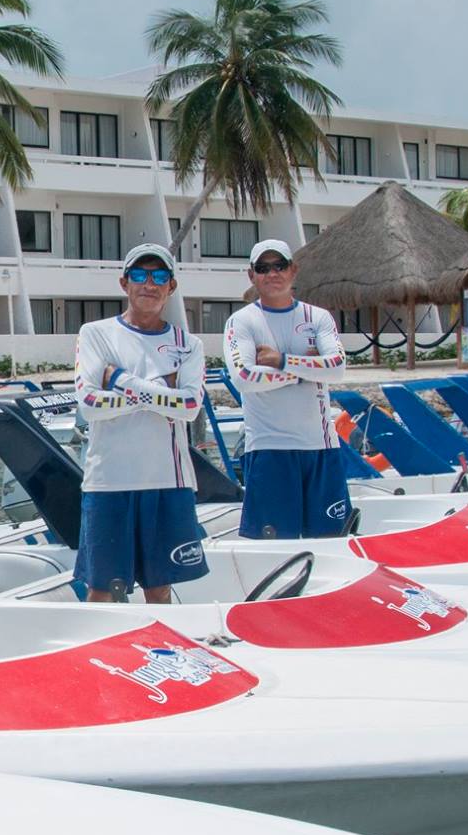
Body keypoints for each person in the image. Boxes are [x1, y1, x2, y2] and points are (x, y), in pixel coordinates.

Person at [72, 243, 209, 602]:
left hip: (168, 480)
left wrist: (121, 381)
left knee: (160, 588)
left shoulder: (188, 344)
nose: (149, 283)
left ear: (171, 287)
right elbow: (89, 404)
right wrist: (164, 392)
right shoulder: (95, 333)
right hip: (108, 482)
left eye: (159, 275)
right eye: (139, 275)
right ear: (124, 283)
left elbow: (191, 406)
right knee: (101, 590)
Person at [222, 239, 349, 539]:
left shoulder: (317, 317)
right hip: (269, 450)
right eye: (263, 268)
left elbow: (337, 368)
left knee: (332, 543)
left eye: (279, 266)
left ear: (293, 270)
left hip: (321, 449)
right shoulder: (241, 321)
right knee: (273, 549)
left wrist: (281, 360)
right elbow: (244, 378)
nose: (272, 273)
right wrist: (303, 372)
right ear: (251, 275)